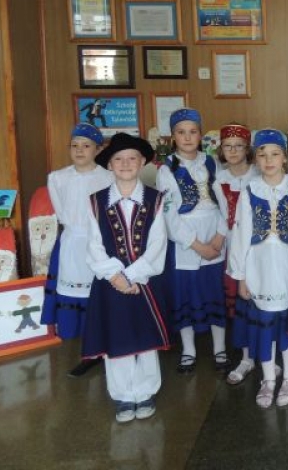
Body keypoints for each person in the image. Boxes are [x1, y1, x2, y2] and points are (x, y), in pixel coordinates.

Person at [81, 133, 168, 423]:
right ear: (109, 165)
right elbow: (93, 245)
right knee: (116, 336)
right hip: (110, 283)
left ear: (142, 162)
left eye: (132, 158)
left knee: (144, 336)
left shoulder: (155, 199)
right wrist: (115, 276)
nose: (126, 163)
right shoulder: (95, 202)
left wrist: (131, 276)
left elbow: (158, 245)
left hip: (144, 281)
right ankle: (123, 395)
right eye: (118, 159)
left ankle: (145, 391)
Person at [228, 129, 288, 408]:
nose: (269, 160)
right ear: (255, 159)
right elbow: (240, 234)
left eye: (275, 154)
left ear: (285, 157)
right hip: (258, 265)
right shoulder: (250, 189)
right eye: (262, 155)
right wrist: (240, 275)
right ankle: (268, 379)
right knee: (264, 323)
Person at [156, 108, 229, 373]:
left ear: (200, 135)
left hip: (214, 228)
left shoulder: (212, 162)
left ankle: (219, 347)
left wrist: (220, 236)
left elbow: (224, 202)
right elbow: (168, 214)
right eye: (181, 132)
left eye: (193, 132)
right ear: (173, 136)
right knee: (185, 292)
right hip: (185, 237)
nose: (187, 137)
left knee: (214, 290)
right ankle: (189, 349)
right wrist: (197, 245)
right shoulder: (167, 169)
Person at [41, 123, 113, 377]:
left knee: (100, 295)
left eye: (86, 146)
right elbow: (62, 212)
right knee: (75, 296)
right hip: (72, 242)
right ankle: (86, 351)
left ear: (98, 149)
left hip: (100, 242)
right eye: (74, 146)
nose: (79, 150)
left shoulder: (108, 177)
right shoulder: (57, 178)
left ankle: (104, 348)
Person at [212, 124, 259, 386]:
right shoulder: (219, 180)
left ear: (247, 149)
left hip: (261, 247)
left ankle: (267, 354)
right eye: (227, 146)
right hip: (235, 247)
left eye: (238, 146)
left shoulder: (259, 174)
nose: (232, 151)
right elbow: (223, 215)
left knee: (263, 301)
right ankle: (246, 357)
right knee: (242, 303)